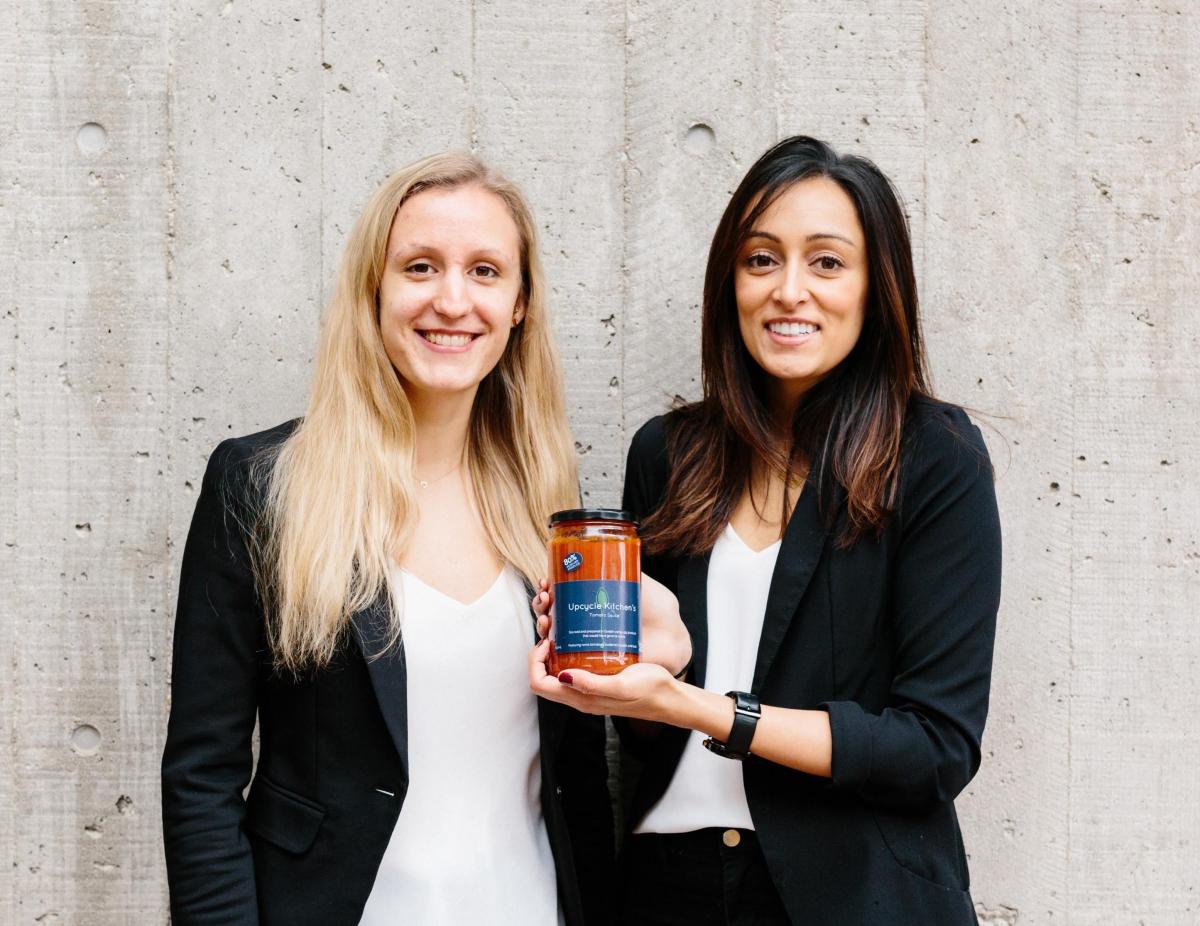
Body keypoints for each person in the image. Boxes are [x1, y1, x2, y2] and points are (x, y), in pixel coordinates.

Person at [530, 135, 1002, 925]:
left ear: (875, 287)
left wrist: (703, 708)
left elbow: (934, 748)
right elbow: (644, 731)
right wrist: (637, 672)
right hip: (665, 885)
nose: (790, 290)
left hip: (856, 893)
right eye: (760, 260)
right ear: (730, 283)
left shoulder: (933, 456)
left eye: (825, 262)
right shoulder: (669, 453)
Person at [162, 152, 630, 925]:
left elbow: (579, 777)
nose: (453, 300)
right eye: (420, 267)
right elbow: (201, 777)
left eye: (485, 271)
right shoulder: (261, 486)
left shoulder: (548, 505)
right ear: (373, 291)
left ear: (520, 305)